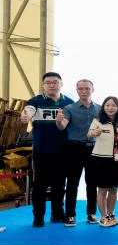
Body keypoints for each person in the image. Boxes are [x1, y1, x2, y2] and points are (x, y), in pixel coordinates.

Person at [21, 72, 74, 227]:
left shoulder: (69, 103)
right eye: (48, 82)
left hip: (63, 151)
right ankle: (38, 217)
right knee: (40, 185)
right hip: (42, 151)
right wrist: (26, 116)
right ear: (43, 85)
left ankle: (57, 213)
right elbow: (29, 110)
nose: (52, 85)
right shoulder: (35, 101)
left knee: (60, 184)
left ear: (61, 84)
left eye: (55, 82)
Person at [55, 79, 100, 226]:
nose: (84, 91)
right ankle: (70, 215)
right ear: (77, 90)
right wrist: (58, 121)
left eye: (87, 88)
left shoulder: (99, 109)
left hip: (93, 149)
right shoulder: (69, 108)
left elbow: (108, 127)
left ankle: (92, 213)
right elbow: (62, 126)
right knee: (72, 183)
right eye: (81, 89)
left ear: (92, 90)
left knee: (92, 183)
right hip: (74, 148)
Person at [88, 96, 118, 227]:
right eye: (107, 105)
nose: (110, 108)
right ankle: (103, 217)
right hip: (101, 159)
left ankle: (111, 214)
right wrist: (95, 132)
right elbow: (89, 133)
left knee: (114, 189)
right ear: (103, 107)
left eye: (113, 105)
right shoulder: (98, 120)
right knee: (102, 189)